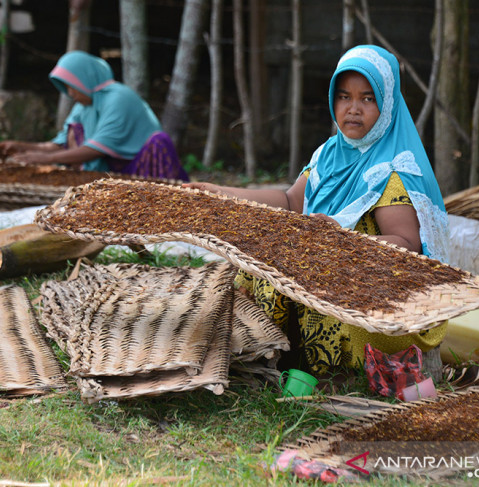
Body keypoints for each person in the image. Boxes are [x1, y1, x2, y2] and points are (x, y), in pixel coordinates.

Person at [184, 45, 450, 377]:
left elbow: (408, 247)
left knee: (328, 308)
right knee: (256, 267)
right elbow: (292, 202)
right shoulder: (329, 153)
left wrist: (342, 240)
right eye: (344, 97)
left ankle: (312, 365)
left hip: (374, 293)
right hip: (327, 269)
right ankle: (267, 352)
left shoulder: (393, 168)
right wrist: (221, 194)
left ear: (388, 103)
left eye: (368, 99)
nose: (353, 109)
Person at [0, 50, 189, 182]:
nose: (70, 93)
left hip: (142, 167)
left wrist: (45, 159)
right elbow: (60, 144)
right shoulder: (84, 105)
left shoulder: (118, 97)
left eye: (72, 86)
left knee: (159, 141)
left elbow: (96, 149)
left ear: (85, 78)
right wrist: (21, 147)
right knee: (73, 131)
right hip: (113, 170)